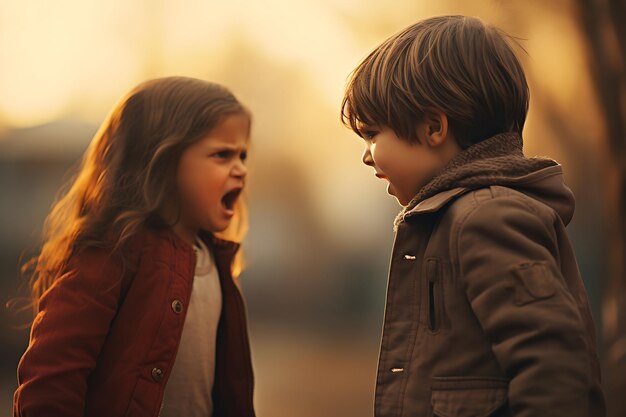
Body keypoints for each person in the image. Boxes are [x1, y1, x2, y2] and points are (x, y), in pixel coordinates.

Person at [341, 15, 605, 417]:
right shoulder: (457, 216)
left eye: (373, 134)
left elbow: (552, 364)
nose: (366, 155)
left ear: (434, 127)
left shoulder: (488, 216)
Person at [13, 76, 256, 417]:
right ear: (161, 160)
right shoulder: (113, 253)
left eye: (243, 155)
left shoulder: (217, 261)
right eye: (222, 155)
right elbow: (52, 379)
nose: (241, 169)